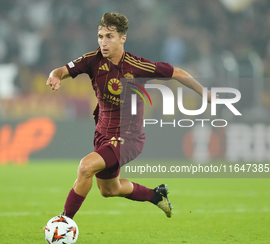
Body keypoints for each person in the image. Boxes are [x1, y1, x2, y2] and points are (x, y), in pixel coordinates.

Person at [46, 12, 213, 220]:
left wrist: (203, 92)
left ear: (122, 38)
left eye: (109, 37)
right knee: (109, 189)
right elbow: (61, 70)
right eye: (100, 36)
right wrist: (55, 76)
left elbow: (177, 72)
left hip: (128, 137)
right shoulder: (92, 60)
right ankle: (156, 195)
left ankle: (64, 221)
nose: (103, 42)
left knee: (85, 166)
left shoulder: (137, 66)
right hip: (103, 134)